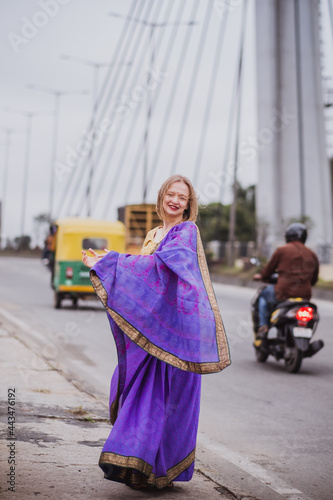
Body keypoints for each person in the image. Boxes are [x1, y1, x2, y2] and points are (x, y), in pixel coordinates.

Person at [82, 174, 230, 490]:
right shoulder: (155, 233)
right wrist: (106, 263)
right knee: (140, 397)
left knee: (165, 405)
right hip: (153, 333)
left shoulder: (186, 232)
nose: (176, 200)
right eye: (172, 194)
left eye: (183, 197)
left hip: (174, 336)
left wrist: (112, 262)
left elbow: (161, 270)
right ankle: (138, 465)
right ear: (162, 196)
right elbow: (144, 276)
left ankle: (156, 471)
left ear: (189, 205)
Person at [254, 222, 319, 338]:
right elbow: (314, 280)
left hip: (282, 294)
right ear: (304, 237)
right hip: (305, 297)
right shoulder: (312, 254)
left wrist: (262, 276)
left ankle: (263, 326)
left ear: (288, 236)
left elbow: (267, 272)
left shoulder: (281, 250)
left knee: (263, 295)